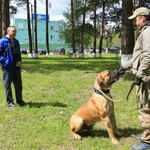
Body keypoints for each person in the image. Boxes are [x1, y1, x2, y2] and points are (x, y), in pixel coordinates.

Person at [118, 7, 150, 150]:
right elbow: (138, 57)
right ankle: (146, 135)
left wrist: (140, 75)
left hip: (146, 79)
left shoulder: (147, 33)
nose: (135, 22)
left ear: (142, 18)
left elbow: (148, 56)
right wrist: (124, 67)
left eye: (136, 19)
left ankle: (147, 141)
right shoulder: (144, 32)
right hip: (144, 76)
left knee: (145, 108)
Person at [0, 26, 26, 107]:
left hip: (17, 66)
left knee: (18, 84)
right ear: (8, 32)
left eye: (15, 31)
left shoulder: (16, 41)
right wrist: (5, 62)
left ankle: (19, 100)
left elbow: (17, 52)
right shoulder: (3, 41)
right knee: (7, 84)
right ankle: (10, 102)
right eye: (13, 31)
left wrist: (19, 61)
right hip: (8, 67)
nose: (15, 33)